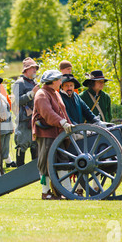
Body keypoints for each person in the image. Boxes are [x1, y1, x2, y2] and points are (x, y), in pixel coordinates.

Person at [32, 70, 72, 200]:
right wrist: (62, 122)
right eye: (59, 80)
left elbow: (63, 113)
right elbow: (47, 113)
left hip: (58, 133)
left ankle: (67, 191)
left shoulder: (56, 93)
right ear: (54, 81)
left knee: (62, 161)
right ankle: (46, 192)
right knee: (45, 163)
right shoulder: (41, 94)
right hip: (46, 133)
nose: (61, 82)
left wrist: (70, 125)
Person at [12, 57, 40, 166]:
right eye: (32, 68)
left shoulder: (34, 83)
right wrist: (31, 93)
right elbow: (17, 101)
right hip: (24, 120)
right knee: (22, 146)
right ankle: (19, 172)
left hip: (35, 119)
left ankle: (34, 173)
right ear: (26, 70)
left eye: (35, 68)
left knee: (35, 145)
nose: (34, 70)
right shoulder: (19, 83)